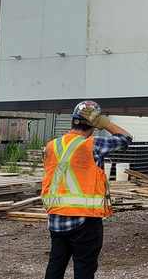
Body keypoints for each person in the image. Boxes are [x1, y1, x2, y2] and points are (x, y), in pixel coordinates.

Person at [42, 100, 132, 279]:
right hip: (85, 220)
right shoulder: (93, 145)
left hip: (56, 219)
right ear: (93, 125)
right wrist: (104, 123)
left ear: (72, 121)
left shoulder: (50, 147)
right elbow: (125, 138)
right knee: (84, 270)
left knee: (55, 267)